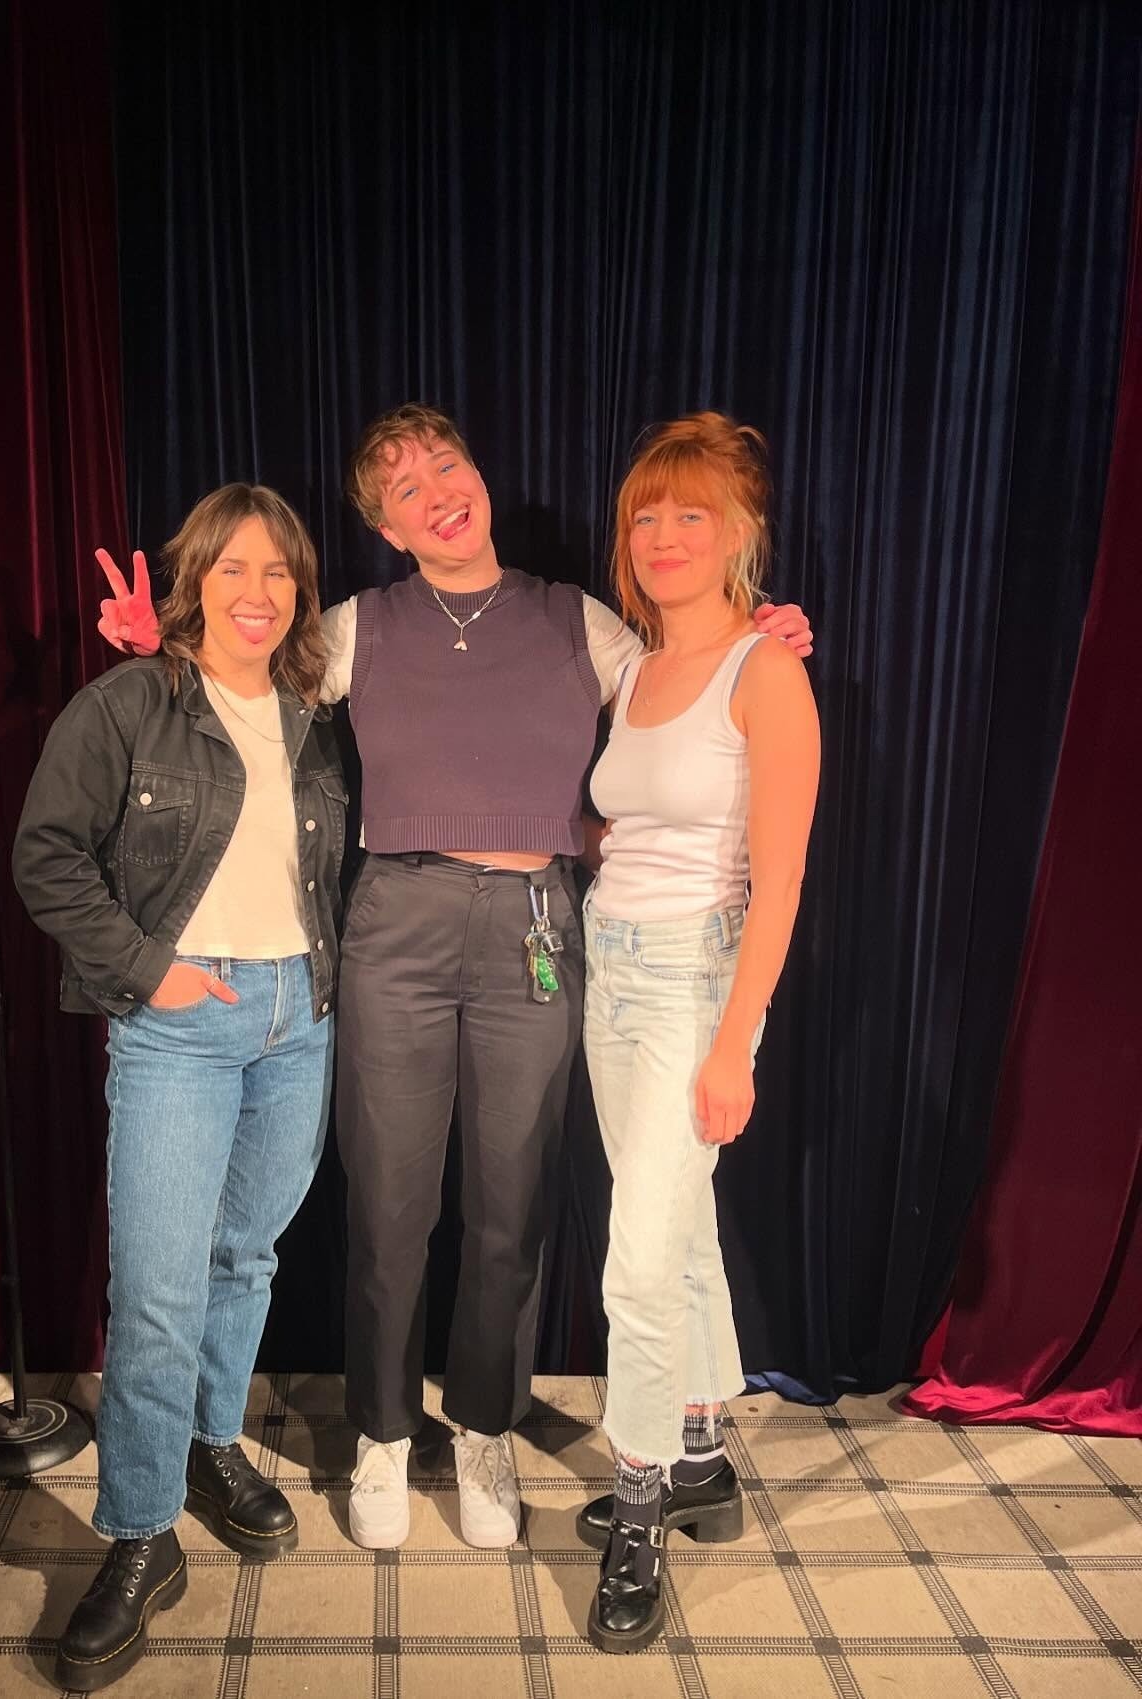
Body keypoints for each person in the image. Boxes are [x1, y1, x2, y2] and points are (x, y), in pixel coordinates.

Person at [93, 404, 814, 1554]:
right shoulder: (357, 628)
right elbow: (240, 684)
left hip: (538, 928)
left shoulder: (576, 619)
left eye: (445, 466)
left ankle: (483, 1427)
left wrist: (761, 631)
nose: (435, 492)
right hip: (398, 923)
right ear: (386, 528)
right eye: (404, 488)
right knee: (388, 1203)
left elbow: (687, 684)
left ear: (478, 475)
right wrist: (159, 650)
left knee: (510, 1208)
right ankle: (384, 1432)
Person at [15, 485, 345, 1693]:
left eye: (279, 572)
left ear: (301, 591)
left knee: (244, 1256)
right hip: (181, 1021)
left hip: (298, 1019)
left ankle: (213, 1442)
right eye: (233, 568)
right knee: (156, 1290)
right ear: (196, 578)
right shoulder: (128, 704)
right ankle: (139, 1533)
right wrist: (151, 972)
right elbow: (46, 856)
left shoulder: (315, 715)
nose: (258, 592)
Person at [572, 413, 820, 1653]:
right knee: (673, 1231)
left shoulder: (766, 670)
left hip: (693, 984)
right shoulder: (633, 669)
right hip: (606, 968)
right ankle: (702, 1454)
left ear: (739, 532)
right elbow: (623, 823)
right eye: (646, 516)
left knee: (635, 1261)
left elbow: (779, 883)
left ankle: (639, 1509)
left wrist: (735, 1042)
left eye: (691, 515)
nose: (663, 536)